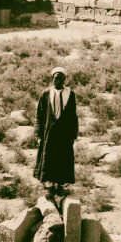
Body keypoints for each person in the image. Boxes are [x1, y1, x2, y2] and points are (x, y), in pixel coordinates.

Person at [34, 67, 78, 198]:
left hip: (64, 133)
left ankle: (60, 186)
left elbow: (73, 115)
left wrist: (74, 133)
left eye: (59, 78)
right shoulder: (46, 94)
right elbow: (39, 115)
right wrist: (37, 133)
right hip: (49, 132)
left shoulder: (70, 94)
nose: (56, 80)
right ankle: (49, 186)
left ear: (64, 80)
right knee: (48, 157)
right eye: (54, 78)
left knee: (62, 157)